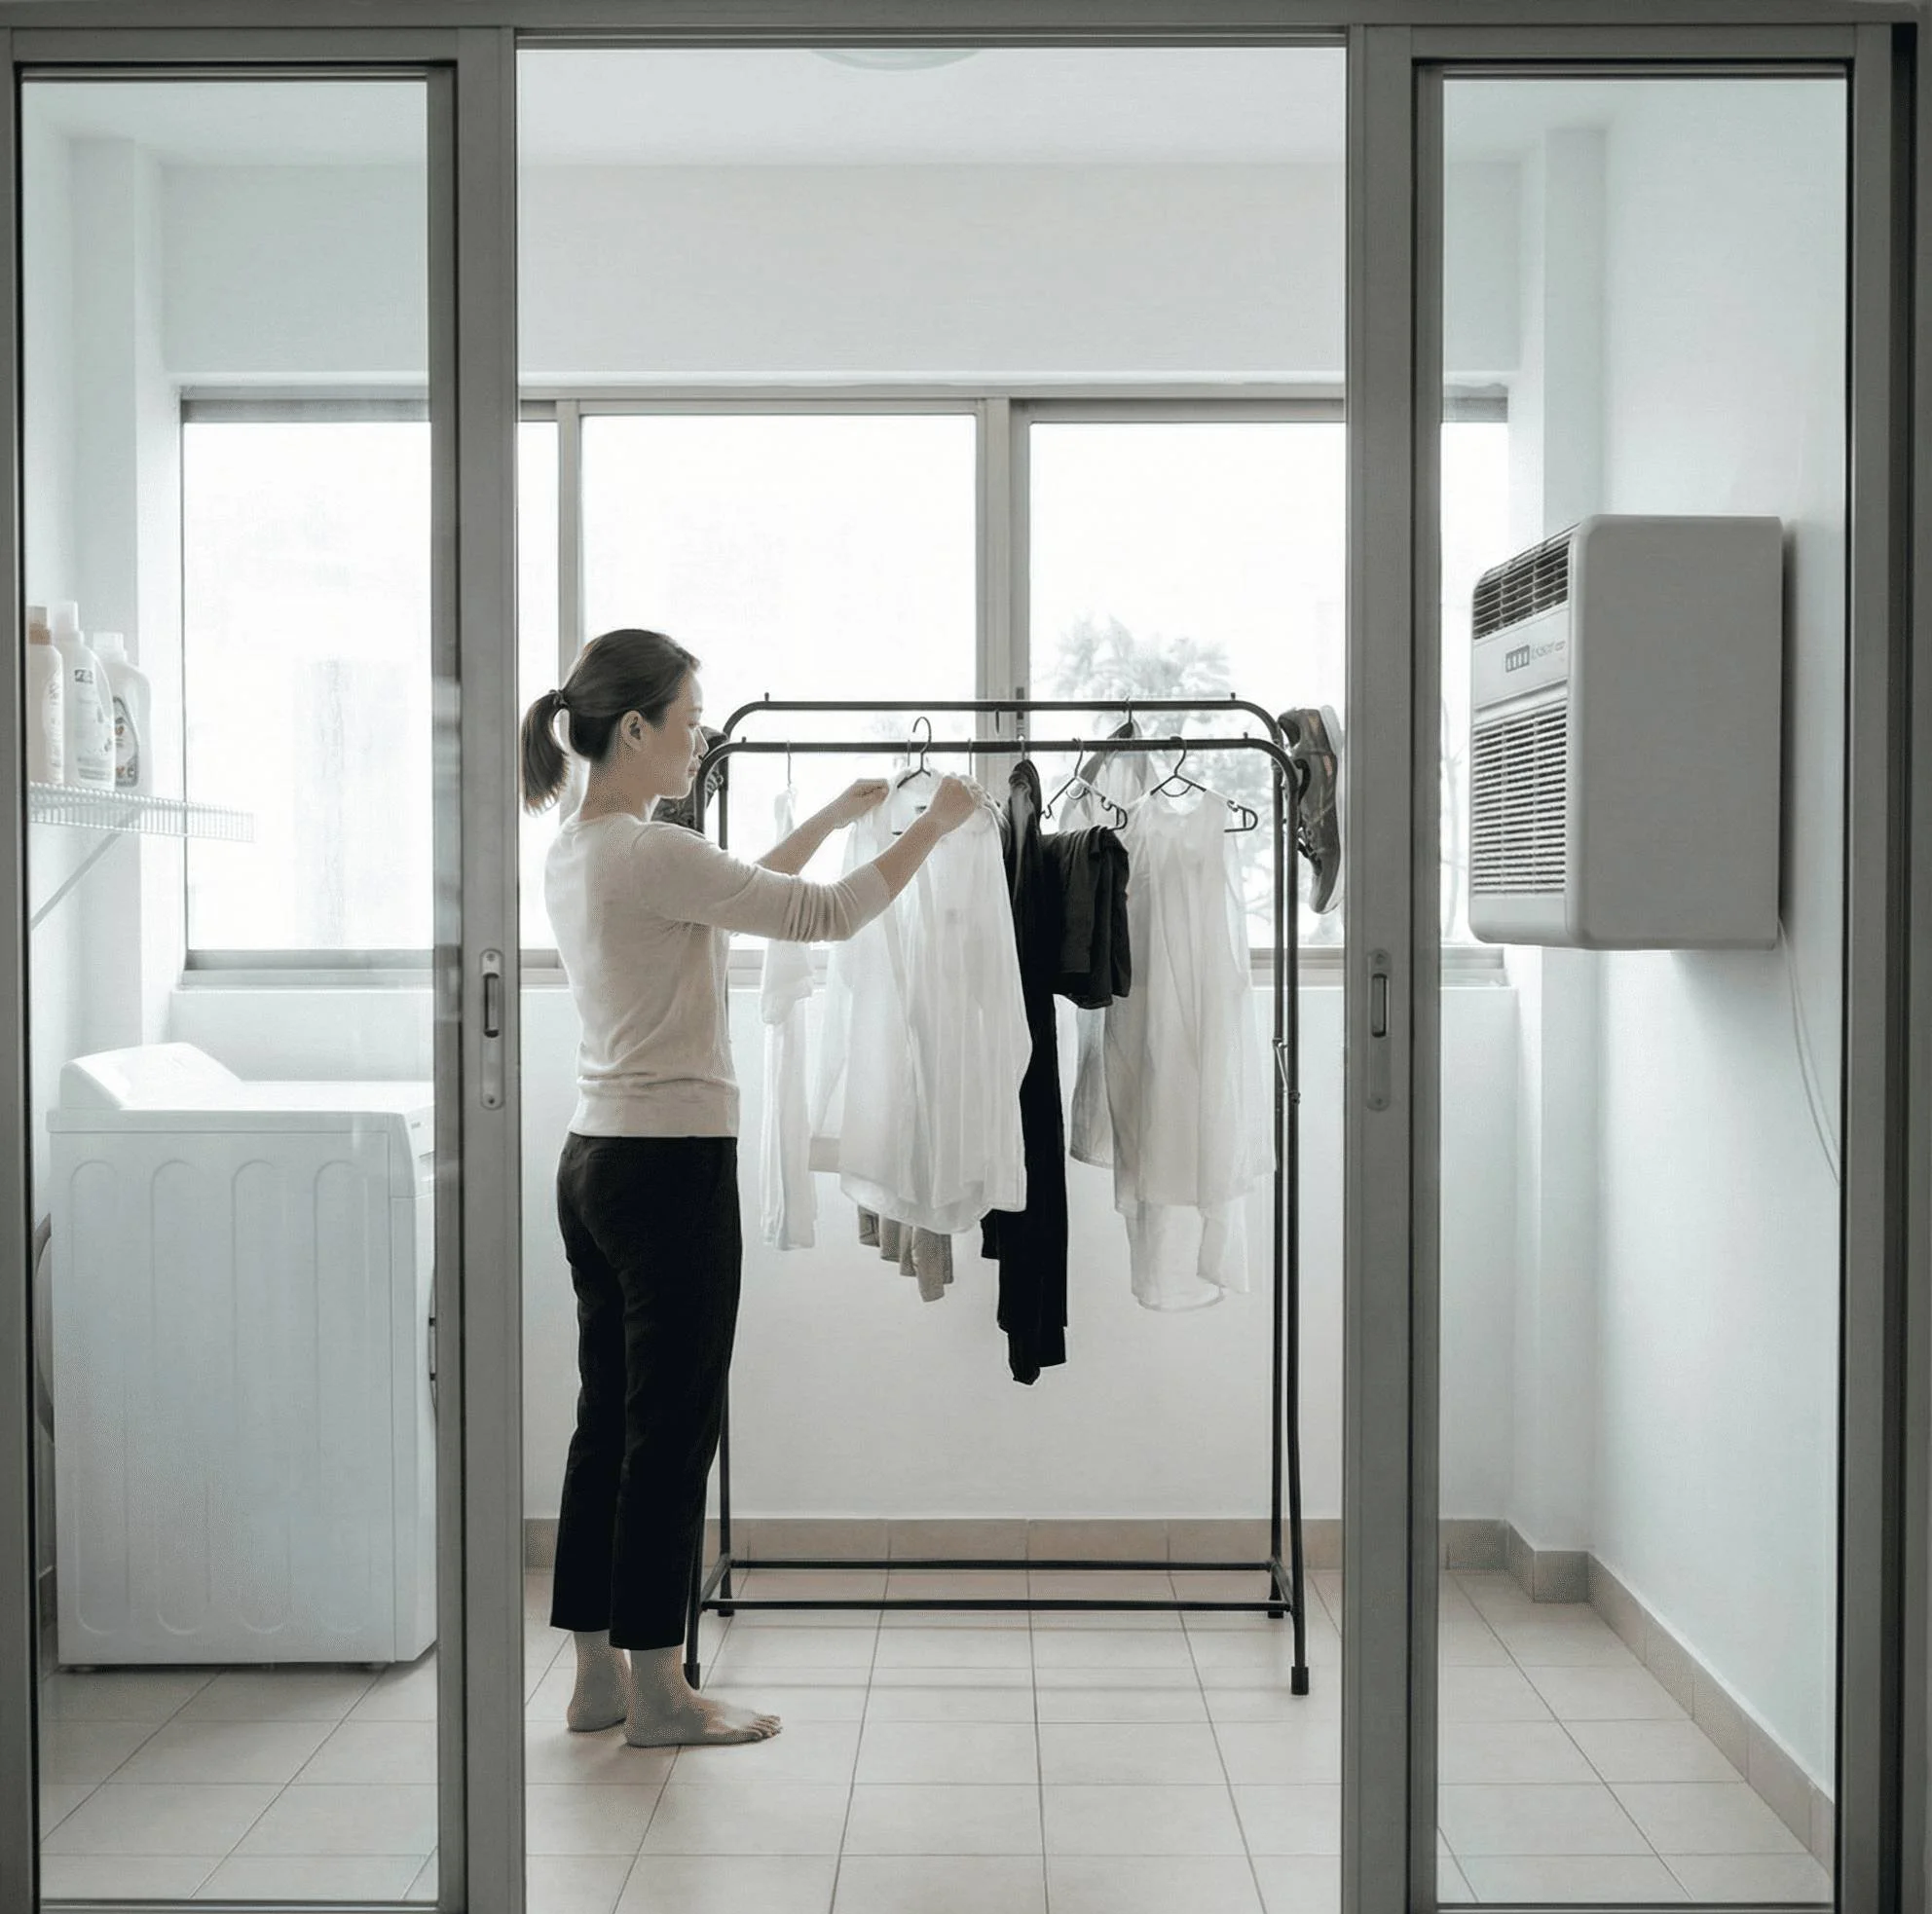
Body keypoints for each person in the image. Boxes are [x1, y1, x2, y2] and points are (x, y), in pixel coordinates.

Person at [520, 627, 981, 1748]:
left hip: (594, 1161)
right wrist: (934, 823)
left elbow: (735, 887)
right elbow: (816, 915)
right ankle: (665, 1693)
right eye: (686, 722)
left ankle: (595, 1676)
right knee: (671, 1428)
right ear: (632, 729)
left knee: (608, 1421)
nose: (698, 741)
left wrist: (831, 817)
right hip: (670, 1163)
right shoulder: (641, 850)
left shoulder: (585, 850)